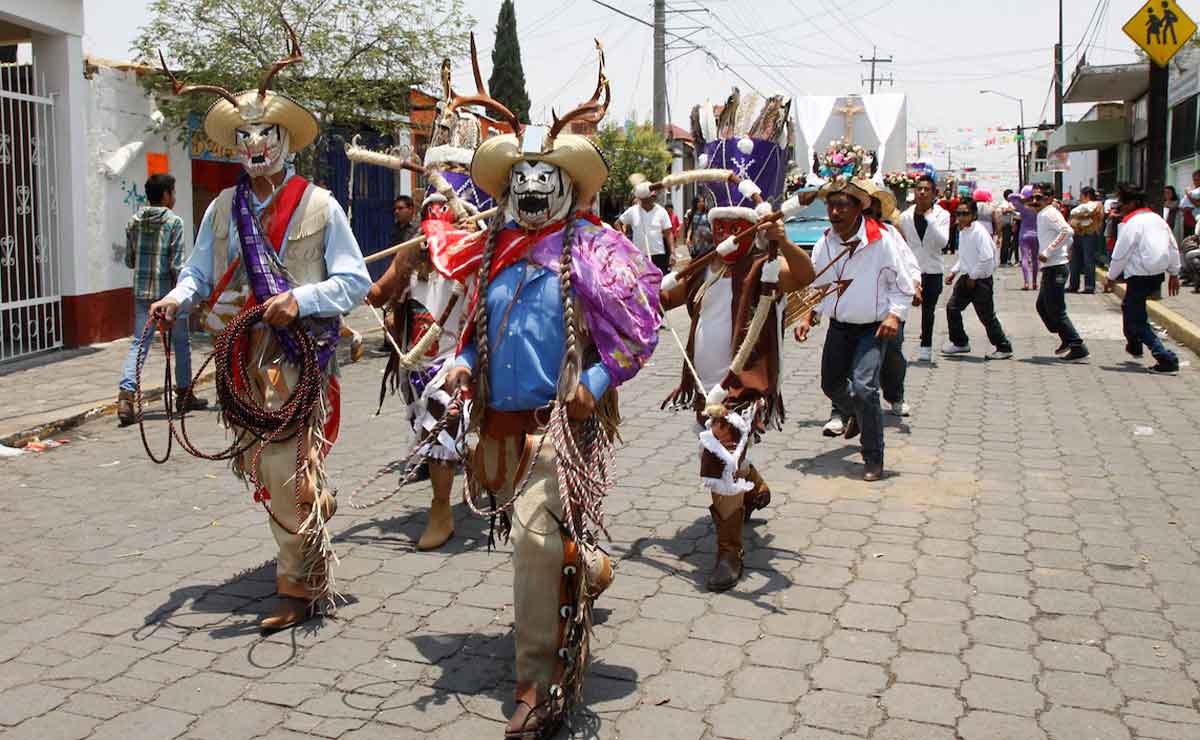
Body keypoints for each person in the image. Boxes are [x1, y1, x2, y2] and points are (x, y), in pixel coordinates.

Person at [441, 46, 663, 737]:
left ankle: (537, 685)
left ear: (567, 185)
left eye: (545, 179)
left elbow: (640, 330)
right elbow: (474, 330)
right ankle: (587, 565)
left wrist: (594, 380)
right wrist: (462, 364)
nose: (532, 190)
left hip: (559, 430)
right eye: (521, 180)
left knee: (534, 541)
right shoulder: (494, 253)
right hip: (498, 429)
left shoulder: (597, 251)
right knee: (547, 542)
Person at [149, 29, 371, 632]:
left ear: (284, 140)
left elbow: (354, 281)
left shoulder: (321, 205)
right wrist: (176, 298)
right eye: (243, 136)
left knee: (281, 464)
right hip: (241, 359)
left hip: (300, 358)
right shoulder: (223, 208)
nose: (254, 145)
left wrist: (300, 299)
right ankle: (312, 504)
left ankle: (297, 584)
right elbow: (198, 270)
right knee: (262, 463)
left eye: (264, 134)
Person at [661, 89, 813, 591]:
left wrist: (783, 239)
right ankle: (753, 486)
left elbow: (804, 276)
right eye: (719, 224)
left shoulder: (768, 269)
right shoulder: (705, 269)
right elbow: (663, 298)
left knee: (718, 460)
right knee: (729, 459)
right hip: (704, 387)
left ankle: (729, 553)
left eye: (736, 226)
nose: (726, 232)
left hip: (744, 386)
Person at [362, 63, 495, 551]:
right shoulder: (412, 253)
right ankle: (467, 470)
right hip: (416, 363)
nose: (438, 225)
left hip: (463, 358)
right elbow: (377, 294)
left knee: (444, 418)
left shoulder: (482, 247)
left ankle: (442, 510)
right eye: (431, 216)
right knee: (430, 424)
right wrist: (347, 285)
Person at [796, 177, 915, 482]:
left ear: (859, 208)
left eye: (842, 206)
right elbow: (819, 285)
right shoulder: (825, 242)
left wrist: (894, 316)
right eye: (831, 206)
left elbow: (902, 286)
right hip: (839, 327)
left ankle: (873, 457)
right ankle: (860, 414)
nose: (834, 212)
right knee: (831, 384)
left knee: (865, 388)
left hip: (872, 329)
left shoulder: (881, 240)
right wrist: (808, 317)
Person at [117, 173, 208, 426]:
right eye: (173, 192)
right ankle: (184, 393)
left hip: (142, 294)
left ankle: (126, 397)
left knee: (140, 343)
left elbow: (129, 260)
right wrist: (184, 296)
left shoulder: (134, 221)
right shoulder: (174, 222)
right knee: (181, 343)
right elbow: (177, 264)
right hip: (169, 296)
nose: (174, 197)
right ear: (166, 195)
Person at [1105, 183, 1182, 374]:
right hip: (1156, 275)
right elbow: (1172, 246)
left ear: (1132, 203)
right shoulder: (1157, 219)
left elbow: (1121, 253)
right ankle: (1134, 345)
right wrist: (1174, 273)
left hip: (1139, 276)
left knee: (1137, 320)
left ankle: (1165, 358)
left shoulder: (1132, 223)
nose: (1120, 207)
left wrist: (1111, 276)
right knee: (1129, 309)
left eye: (1122, 203)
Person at [942, 198, 1013, 360]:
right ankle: (960, 342)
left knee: (986, 316)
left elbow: (986, 258)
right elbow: (965, 256)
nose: (961, 217)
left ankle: (1003, 347)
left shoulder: (979, 232)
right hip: (967, 277)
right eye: (958, 213)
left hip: (981, 281)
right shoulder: (963, 231)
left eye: (965, 213)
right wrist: (953, 272)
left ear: (973, 215)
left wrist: (974, 277)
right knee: (952, 308)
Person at [1031, 184, 1089, 361]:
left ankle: (1076, 345)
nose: (1035, 201)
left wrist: (1049, 251)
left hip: (1056, 267)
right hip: (1051, 267)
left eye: (1039, 197)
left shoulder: (1049, 213)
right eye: (1033, 198)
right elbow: (1067, 236)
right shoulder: (1044, 213)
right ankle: (1066, 338)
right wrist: (1065, 249)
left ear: (1049, 198)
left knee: (1056, 309)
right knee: (1042, 306)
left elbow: (1067, 231)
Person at [898, 174, 950, 362]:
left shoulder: (942, 215)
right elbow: (903, 245)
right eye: (919, 189)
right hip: (910, 271)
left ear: (934, 193)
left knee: (928, 312)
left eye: (927, 189)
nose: (922, 192)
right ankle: (896, 345)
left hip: (932, 270)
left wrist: (930, 219)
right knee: (901, 308)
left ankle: (926, 346)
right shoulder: (905, 216)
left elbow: (943, 242)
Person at [620, 181, 677, 273]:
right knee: (641, 280)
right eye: (643, 200)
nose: (654, 197)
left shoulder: (661, 211)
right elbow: (618, 223)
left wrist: (672, 253)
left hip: (658, 255)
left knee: (660, 279)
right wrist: (623, 238)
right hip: (639, 256)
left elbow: (668, 233)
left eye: (653, 196)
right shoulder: (633, 211)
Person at [1068, 187, 1105, 293]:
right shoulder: (1083, 206)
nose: (1080, 197)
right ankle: (1073, 285)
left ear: (1087, 195)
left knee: (1088, 260)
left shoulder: (1097, 205)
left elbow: (1081, 213)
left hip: (1089, 235)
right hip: (1078, 234)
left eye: (1081, 195)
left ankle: (1089, 286)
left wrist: (1079, 217)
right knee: (1075, 260)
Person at [1009, 185, 1041, 290]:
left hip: (1024, 235)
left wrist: (1020, 196)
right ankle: (1035, 282)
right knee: (1035, 259)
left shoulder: (1022, 208)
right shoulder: (1039, 208)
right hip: (1036, 235)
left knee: (1025, 258)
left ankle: (1026, 282)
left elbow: (1010, 197)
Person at [998, 188, 1016, 266]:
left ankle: (1006, 260)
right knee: (1005, 244)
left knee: (1008, 243)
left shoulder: (1009, 203)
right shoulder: (1004, 203)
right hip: (1006, 225)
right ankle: (1003, 261)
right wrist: (1012, 209)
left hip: (1009, 225)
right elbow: (1004, 211)